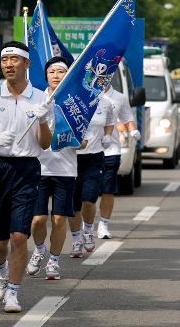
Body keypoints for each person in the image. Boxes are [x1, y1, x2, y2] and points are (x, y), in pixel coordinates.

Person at [0, 41, 52, 313]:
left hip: (27, 169)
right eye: (5, 60)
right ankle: (0, 269)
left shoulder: (41, 99)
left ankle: (13, 292)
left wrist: (41, 121)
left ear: (26, 64)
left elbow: (46, 143)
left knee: (19, 236)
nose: (8, 64)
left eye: (14, 59)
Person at [27, 56, 86, 280]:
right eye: (52, 72)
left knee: (59, 220)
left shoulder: (75, 104)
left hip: (65, 171)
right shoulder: (36, 102)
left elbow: (83, 142)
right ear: (46, 76)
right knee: (38, 220)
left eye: (60, 72)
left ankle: (54, 260)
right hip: (39, 169)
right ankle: (39, 249)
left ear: (67, 76)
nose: (56, 76)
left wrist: (69, 138)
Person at [68, 95, 115, 258]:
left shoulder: (106, 102)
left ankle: (88, 230)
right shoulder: (70, 99)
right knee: (73, 202)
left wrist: (108, 135)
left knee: (89, 198)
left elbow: (109, 123)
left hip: (94, 157)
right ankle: (75, 239)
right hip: (71, 156)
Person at [97, 84, 140, 239]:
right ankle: (85, 225)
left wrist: (133, 130)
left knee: (107, 190)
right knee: (86, 192)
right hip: (88, 150)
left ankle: (103, 224)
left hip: (111, 149)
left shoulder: (119, 97)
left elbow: (127, 118)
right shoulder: (85, 94)